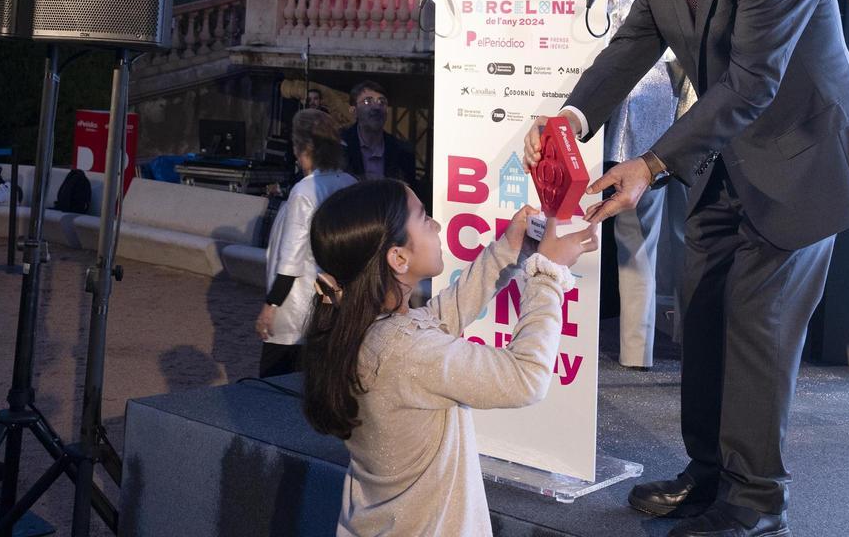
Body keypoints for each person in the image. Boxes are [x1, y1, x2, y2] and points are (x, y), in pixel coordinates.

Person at [523, 0, 849, 537]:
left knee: (757, 326)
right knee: (705, 315)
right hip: (725, 154)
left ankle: (756, 504)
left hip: (803, 162)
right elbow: (631, 46)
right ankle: (707, 474)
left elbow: (753, 81)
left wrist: (649, 165)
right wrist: (573, 116)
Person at [301, 179, 598, 537]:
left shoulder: (361, 329)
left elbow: (441, 318)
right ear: (398, 257)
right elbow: (526, 378)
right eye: (424, 219)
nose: (437, 226)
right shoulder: (404, 351)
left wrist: (509, 249)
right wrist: (548, 273)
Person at [603, 0, 684, 368]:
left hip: (646, 133)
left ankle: (639, 349)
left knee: (640, 241)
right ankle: (637, 349)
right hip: (627, 127)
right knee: (640, 242)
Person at [255, 109, 357, 377]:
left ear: (303, 147)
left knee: (273, 382)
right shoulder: (349, 183)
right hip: (334, 299)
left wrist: (271, 305)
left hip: (297, 303)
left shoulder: (305, 191)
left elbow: (291, 256)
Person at [340, 80, 418, 187]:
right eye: (367, 101)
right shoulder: (338, 146)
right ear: (354, 111)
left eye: (382, 102)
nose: (377, 107)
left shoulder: (403, 151)